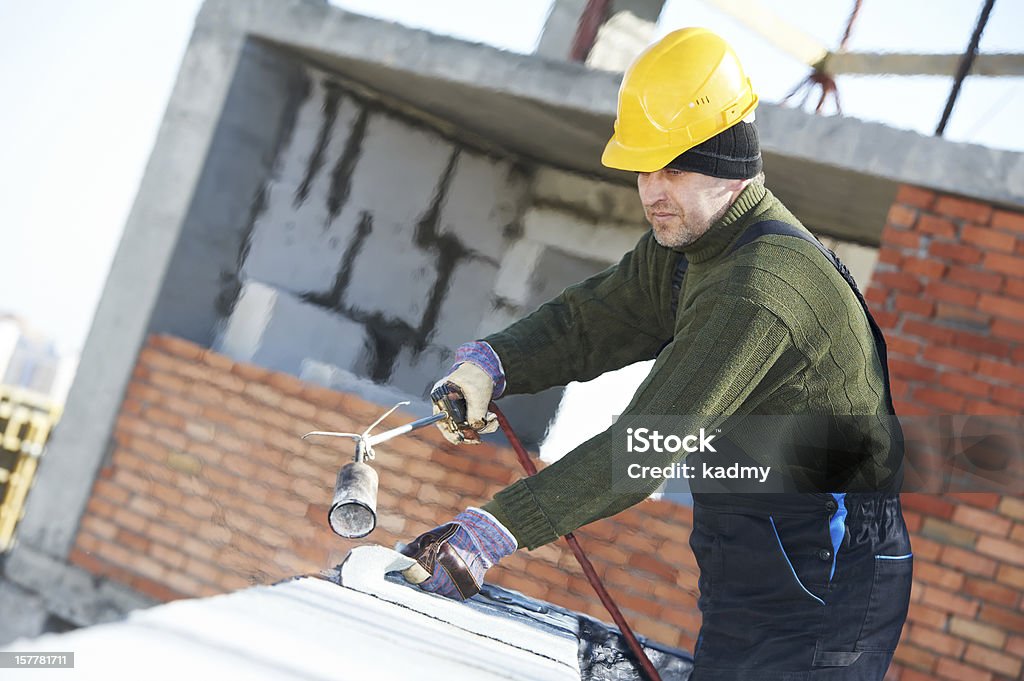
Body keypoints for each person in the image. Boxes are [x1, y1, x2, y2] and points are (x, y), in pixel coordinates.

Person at [398, 27, 912, 681]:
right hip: (757, 555)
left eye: (672, 166)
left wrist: (493, 528)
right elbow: (593, 322)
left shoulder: (760, 288)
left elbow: (643, 448)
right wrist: (492, 363)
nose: (651, 191)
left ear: (727, 162)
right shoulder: (695, 245)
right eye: (644, 167)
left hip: (829, 582)